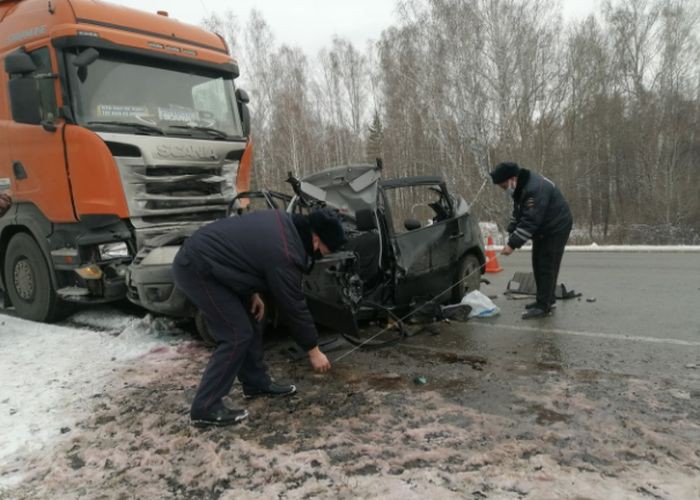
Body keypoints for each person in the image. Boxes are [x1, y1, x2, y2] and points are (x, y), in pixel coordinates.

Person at [172, 207, 347, 428]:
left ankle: (255, 383)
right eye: (324, 250)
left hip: (218, 265)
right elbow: (294, 306)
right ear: (315, 238)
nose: (323, 255)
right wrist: (313, 350)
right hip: (198, 268)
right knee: (236, 333)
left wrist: (252, 291)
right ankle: (205, 408)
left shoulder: (286, 223)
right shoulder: (287, 252)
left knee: (253, 318)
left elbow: (246, 254)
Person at [490, 162, 573, 319]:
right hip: (543, 226)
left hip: (556, 226)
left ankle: (544, 306)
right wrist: (511, 230)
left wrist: (512, 245)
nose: (503, 189)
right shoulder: (521, 186)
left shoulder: (535, 189)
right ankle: (546, 299)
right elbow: (518, 212)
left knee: (546, 264)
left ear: (512, 179)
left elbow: (530, 221)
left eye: (503, 186)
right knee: (537, 262)